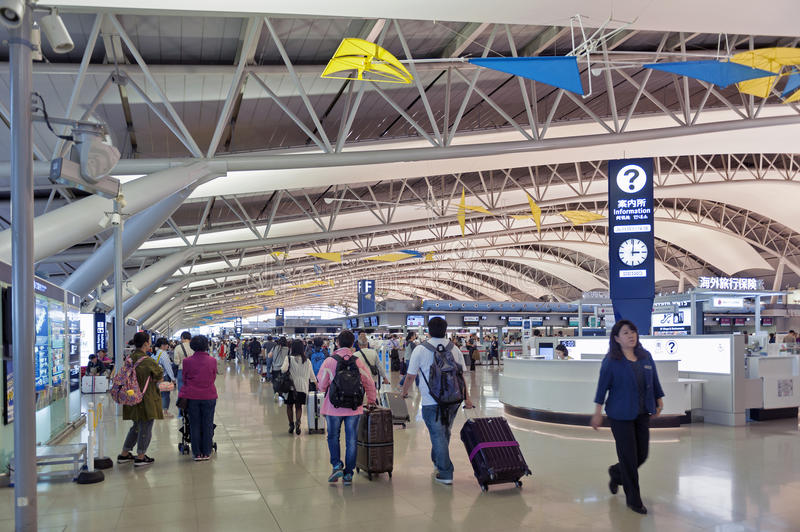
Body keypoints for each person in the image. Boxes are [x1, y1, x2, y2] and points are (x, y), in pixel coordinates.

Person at [590, 320, 664, 515]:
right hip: (620, 415)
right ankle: (634, 499)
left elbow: (654, 380)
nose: (631, 335)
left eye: (633, 331)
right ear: (616, 338)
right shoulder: (611, 361)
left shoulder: (645, 356)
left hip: (642, 413)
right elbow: (602, 387)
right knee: (629, 457)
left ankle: (616, 473)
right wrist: (597, 413)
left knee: (642, 454)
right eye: (625, 333)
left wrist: (659, 399)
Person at [401, 317, 474, 485]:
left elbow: (411, 375)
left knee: (437, 434)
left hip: (430, 400)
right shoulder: (453, 348)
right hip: (453, 399)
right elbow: (461, 375)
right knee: (444, 432)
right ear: (446, 330)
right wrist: (467, 398)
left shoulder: (420, 349)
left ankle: (445, 471)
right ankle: (437, 461)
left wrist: (404, 392)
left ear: (428, 330)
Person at [316, 330, 378, 485]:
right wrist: (371, 400)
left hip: (333, 407)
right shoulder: (357, 361)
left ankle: (337, 465)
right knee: (351, 440)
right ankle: (348, 474)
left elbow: (321, 386)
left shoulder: (330, 361)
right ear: (353, 344)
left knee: (333, 437)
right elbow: (369, 382)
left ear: (337, 343)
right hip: (354, 407)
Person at [117, 332, 164, 467]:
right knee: (146, 427)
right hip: (145, 398)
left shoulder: (130, 358)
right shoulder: (147, 361)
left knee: (136, 426)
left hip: (131, 397)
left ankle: (124, 454)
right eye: (149, 341)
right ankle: (141, 456)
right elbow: (159, 376)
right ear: (145, 344)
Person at [179, 335, 218, 461]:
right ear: (207, 345)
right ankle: (207, 452)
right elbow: (213, 378)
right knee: (207, 423)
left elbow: (184, 378)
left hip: (192, 396)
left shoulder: (187, 361)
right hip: (209, 395)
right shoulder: (212, 360)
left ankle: (197, 453)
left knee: (194, 424)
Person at [281, 339, 317, 435]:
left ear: (292, 348)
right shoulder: (307, 361)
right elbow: (312, 375)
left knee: (289, 406)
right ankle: (298, 422)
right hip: (303, 387)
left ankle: (291, 424)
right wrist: (316, 384)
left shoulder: (289, 358)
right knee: (299, 407)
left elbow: (283, 370)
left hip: (291, 388)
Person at [152, 338, 176, 418]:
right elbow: (168, 367)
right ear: (163, 345)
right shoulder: (163, 354)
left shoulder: (155, 353)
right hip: (164, 376)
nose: (168, 346)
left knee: (157, 394)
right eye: (166, 345)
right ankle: (164, 412)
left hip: (155, 377)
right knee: (165, 394)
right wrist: (173, 378)